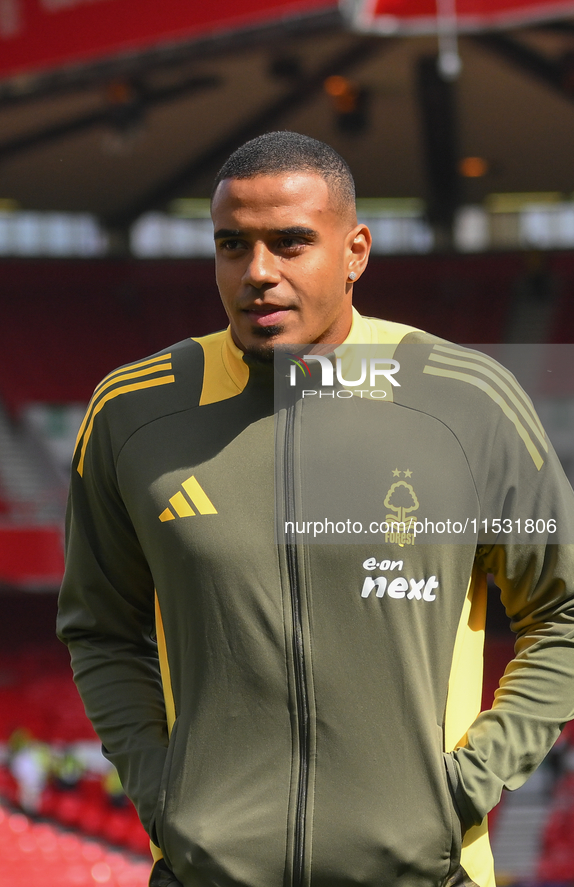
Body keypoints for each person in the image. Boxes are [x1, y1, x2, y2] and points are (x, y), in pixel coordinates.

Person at [57, 131, 574, 887]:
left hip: (423, 872)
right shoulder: (133, 413)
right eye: (232, 245)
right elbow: (100, 627)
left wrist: (462, 788)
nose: (257, 272)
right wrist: (165, 794)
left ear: (355, 250)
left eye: (290, 243)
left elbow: (563, 612)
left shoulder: (467, 404)